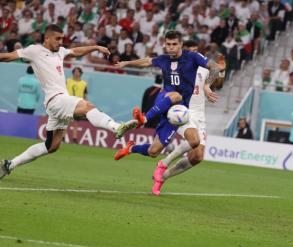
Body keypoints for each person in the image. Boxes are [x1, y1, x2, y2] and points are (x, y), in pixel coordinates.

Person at [0, 24, 137, 180]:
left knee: (51, 146)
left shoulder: (60, 51)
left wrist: (96, 47)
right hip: (56, 100)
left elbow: (76, 51)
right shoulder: (34, 50)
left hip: (58, 103)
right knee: (88, 106)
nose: (60, 42)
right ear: (47, 38)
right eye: (57, 38)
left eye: (62, 39)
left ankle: (9, 165)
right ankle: (116, 127)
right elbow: (7, 56)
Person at [113, 31, 224, 161]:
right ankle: (144, 119)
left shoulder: (192, 57)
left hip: (178, 110)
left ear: (181, 44)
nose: (171, 47)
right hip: (165, 99)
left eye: (174, 44)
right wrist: (127, 63)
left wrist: (207, 85)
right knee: (176, 95)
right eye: (168, 44)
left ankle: (130, 148)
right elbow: (147, 61)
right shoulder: (163, 59)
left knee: (154, 151)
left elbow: (215, 67)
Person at [150, 40, 223, 196]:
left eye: (197, 50)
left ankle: (163, 176)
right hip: (183, 110)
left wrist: (220, 72)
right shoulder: (177, 68)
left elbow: (218, 83)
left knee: (197, 156)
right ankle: (164, 162)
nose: (196, 53)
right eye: (192, 50)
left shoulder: (203, 68)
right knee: (193, 139)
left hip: (200, 114)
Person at [66, 67, 88, 143]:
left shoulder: (84, 83)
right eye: (74, 72)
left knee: (75, 122)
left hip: (78, 104)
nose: (76, 73)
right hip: (68, 103)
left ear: (80, 73)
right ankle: (62, 137)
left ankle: (74, 138)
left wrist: (85, 104)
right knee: (66, 121)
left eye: (77, 72)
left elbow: (85, 95)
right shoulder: (68, 81)